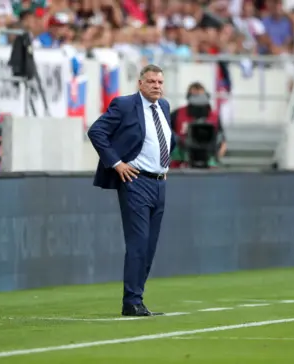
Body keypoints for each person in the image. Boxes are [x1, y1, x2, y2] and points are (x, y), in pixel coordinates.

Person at [87, 64, 175, 317]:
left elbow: (164, 138)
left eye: (160, 82)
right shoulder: (125, 105)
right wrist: (116, 163)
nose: (157, 86)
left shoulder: (164, 107)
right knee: (138, 242)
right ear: (140, 83)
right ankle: (132, 301)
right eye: (151, 82)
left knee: (149, 245)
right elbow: (97, 131)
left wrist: (164, 162)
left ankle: (137, 298)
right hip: (135, 180)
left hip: (159, 181)